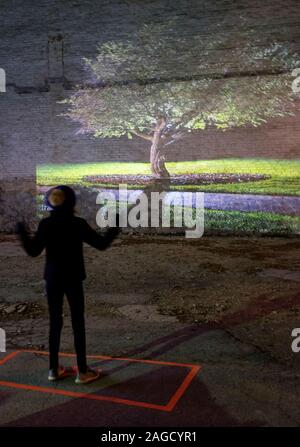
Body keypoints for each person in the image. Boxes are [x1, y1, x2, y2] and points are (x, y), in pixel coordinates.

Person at [16, 185, 120, 384]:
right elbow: (101, 244)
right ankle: (82, 371)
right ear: (72, 202)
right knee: (77, 323)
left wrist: (21, 232)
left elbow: (33, 251)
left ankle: (53, 370)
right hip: (72, 278)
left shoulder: (46, 225)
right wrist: (115, 226)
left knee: (55, 322)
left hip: (52, 279)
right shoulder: (77, 223)